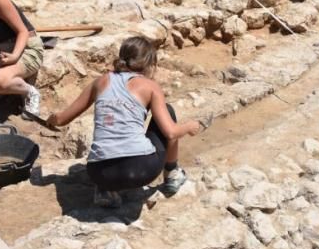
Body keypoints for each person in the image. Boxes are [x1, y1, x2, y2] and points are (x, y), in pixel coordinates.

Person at [44, 36, 202, 207]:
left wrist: (51, 119)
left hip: (99, 173)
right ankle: (172, 174)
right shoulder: (150, 86)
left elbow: (61, 119)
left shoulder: (101, 81)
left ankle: (105, 190)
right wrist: (189, 127)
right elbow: (171, 132)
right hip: (140, 171)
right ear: (149, 64)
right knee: (168, 111)